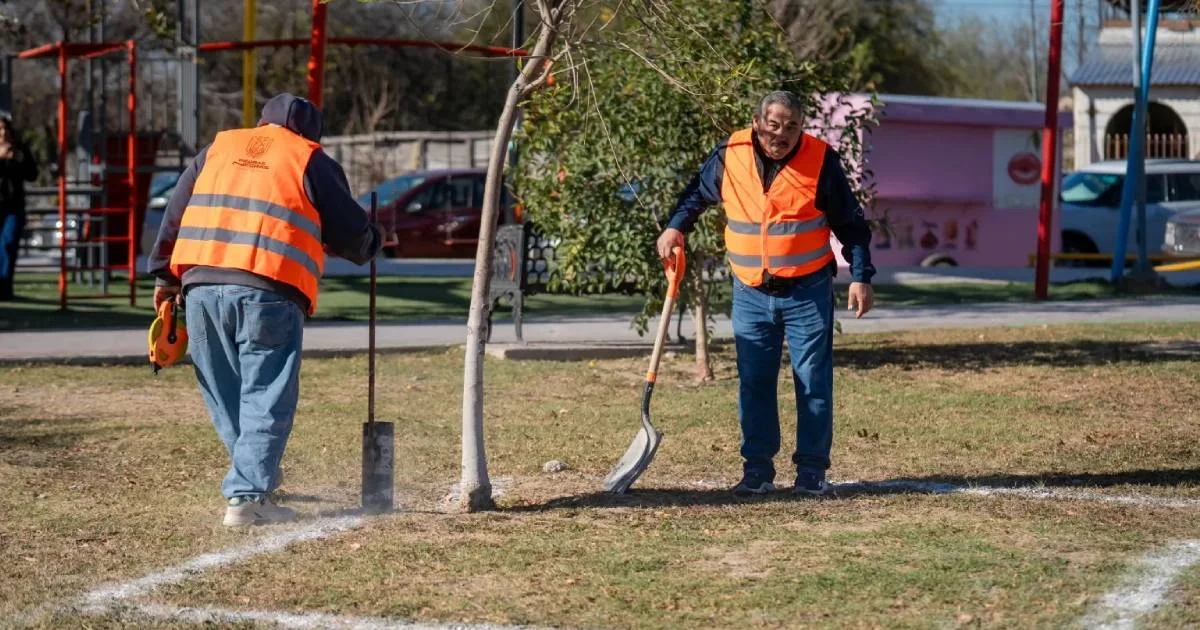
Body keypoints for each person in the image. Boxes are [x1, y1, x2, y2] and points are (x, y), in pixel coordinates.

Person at [148, 93, 382, 526]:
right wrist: (373, 242)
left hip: (200, 286)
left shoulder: (217, 149)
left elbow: (175, 214)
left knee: (226, 394)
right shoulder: (310, 159)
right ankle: (248, 495)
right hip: (268, 287)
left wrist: (165, 277)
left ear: (261, 123)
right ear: (310, 131)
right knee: (266, 393)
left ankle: (256, 478)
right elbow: (351, 233)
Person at [656, 90, 875, 498]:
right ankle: (757, 470)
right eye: (773, 124)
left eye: (791, 126)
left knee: (812, 381)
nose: (781, 134)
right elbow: (695, 195)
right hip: (750, 290)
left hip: (807, 291)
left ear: (801, 128)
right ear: (757, 123)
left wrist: (861, 275)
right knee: (754, 382)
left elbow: (851, 223)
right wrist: (675, 227)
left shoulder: (820, 159)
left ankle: (811, 470)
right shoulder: (730, 153)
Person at [0, 115, 39, 301]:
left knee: (8, 243)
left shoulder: (20, 150)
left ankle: (5, 288)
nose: (3, 133)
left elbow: (32, 175)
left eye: (5, 129)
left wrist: (20, 158)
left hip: (13, 206)